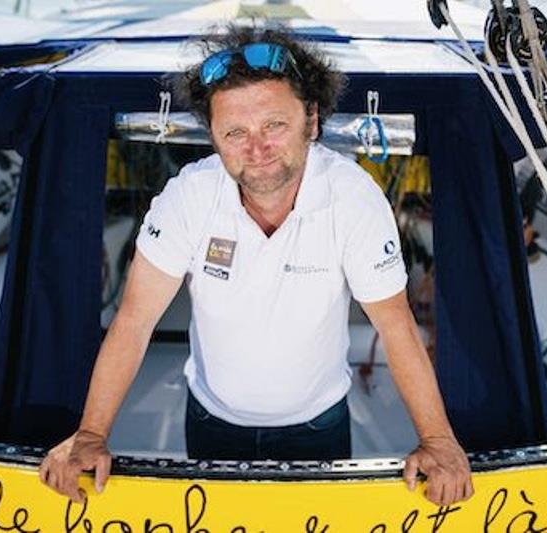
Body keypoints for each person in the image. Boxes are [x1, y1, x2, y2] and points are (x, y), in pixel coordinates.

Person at [39, 24, 473, 507]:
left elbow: (395, 325)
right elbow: (135, 321)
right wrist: (91, 432)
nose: (257, 148)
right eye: (235, 132)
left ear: (311, 120)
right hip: (211, 418)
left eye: (274, 125)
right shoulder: (188, 196)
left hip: (319, 423)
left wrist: (438, 440)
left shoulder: (353, 199)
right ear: (215, 138)